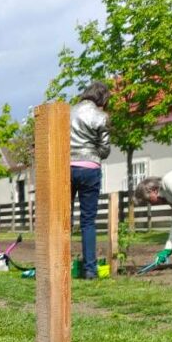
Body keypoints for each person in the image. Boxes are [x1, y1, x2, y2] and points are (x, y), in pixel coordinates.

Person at [69, 80, 111, 279]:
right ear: (102, 98)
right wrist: (93, 153)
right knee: (88, 222)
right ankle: (90, 270)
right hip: (90, 168)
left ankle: (60, 265)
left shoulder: (68, 112)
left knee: (63, 219)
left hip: (66, 168)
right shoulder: (101, 116)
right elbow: (105, 149)